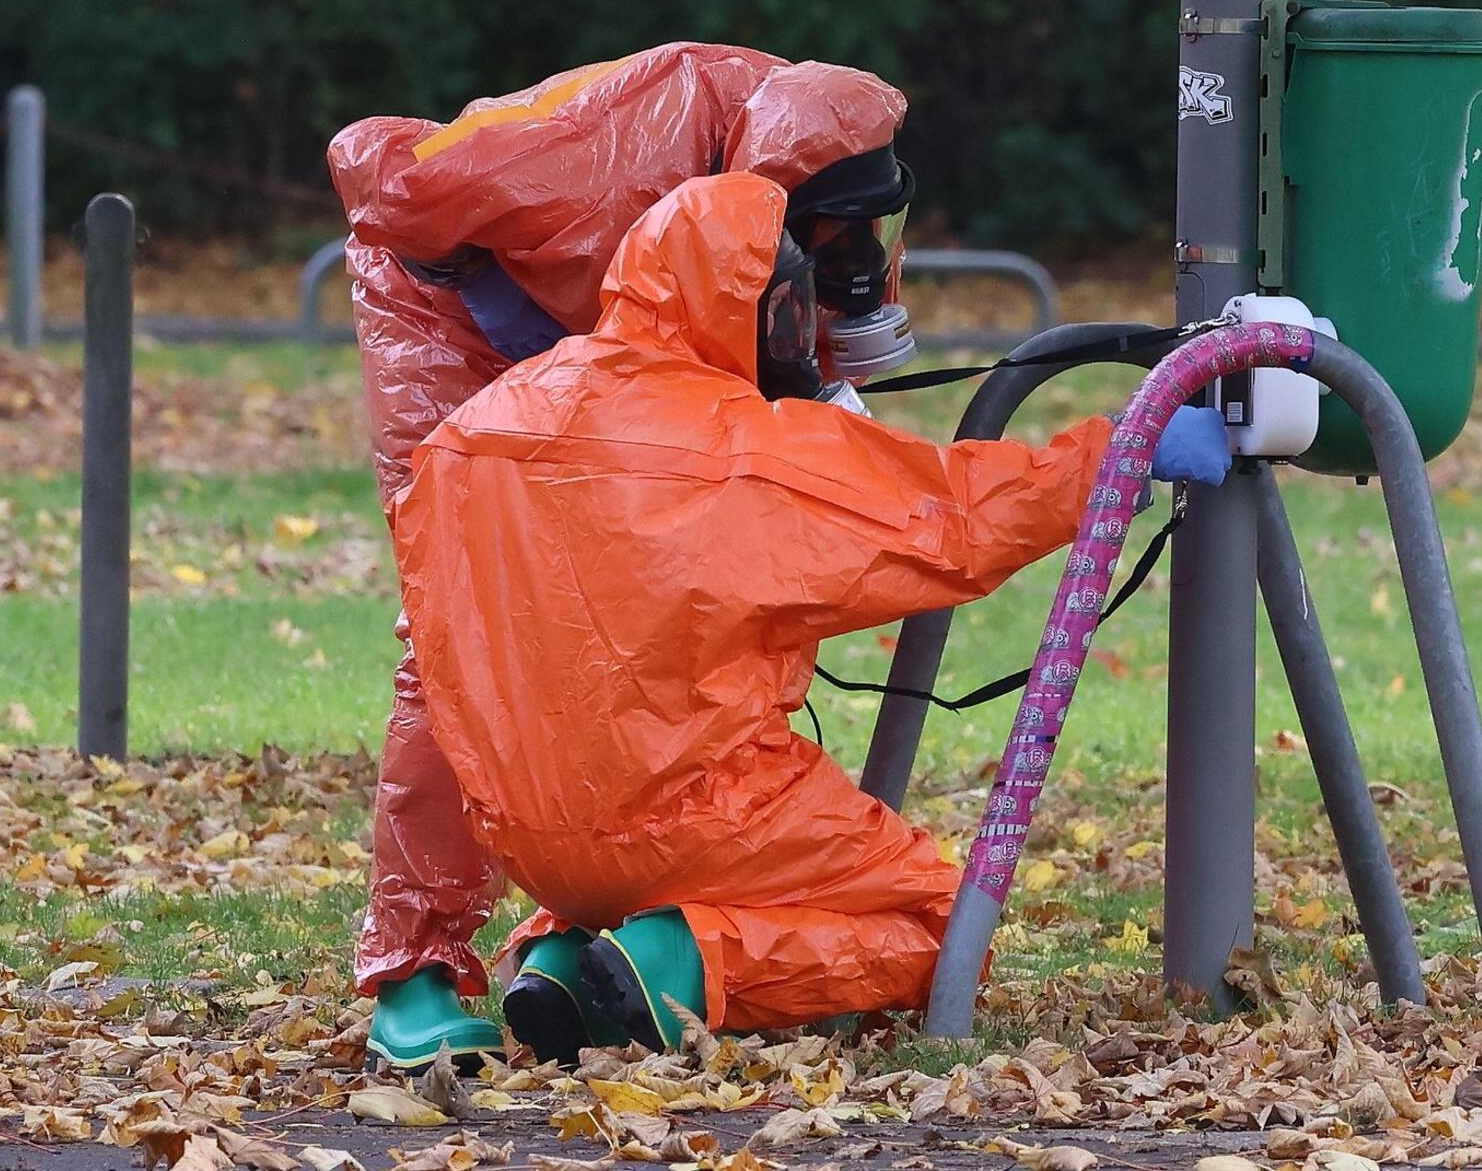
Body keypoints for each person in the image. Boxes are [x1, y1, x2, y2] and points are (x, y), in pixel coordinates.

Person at [392, 171, 1232, 1059]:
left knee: (676, 871)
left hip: (523, 834)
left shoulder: (470, 432)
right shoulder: (741, 447)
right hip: (695, 814)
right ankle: (677, 963)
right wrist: (1120, 454)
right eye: (794, 312)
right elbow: (947, 521)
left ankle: (567, 968)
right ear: (756, 306)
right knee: (944, 925)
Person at [326, 44, 926, 1069]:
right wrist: (538, 339)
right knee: (465, 634)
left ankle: (602, 939)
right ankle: (414, 974)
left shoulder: (818, 157)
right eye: (834, 237)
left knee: (663, 603)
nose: (860, 257)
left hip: (601, 344)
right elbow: (385, 178)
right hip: (458, 331)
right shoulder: (611, 152)